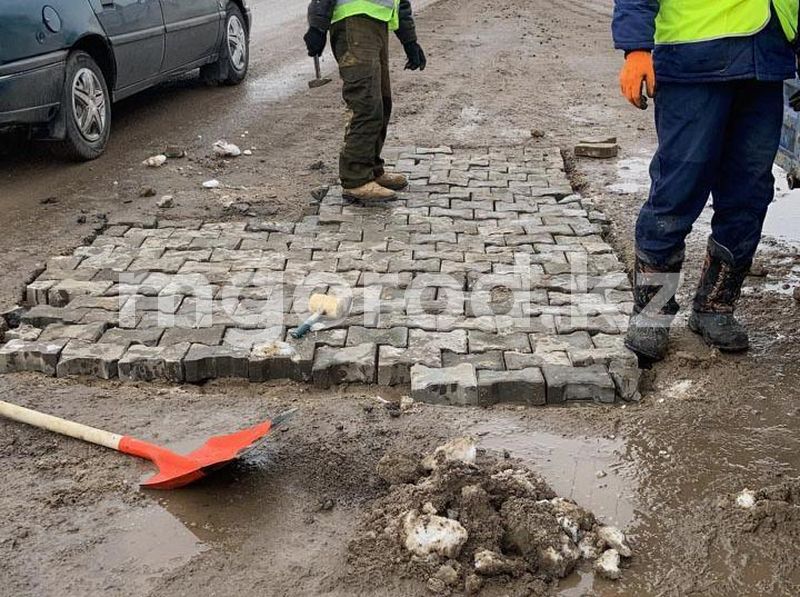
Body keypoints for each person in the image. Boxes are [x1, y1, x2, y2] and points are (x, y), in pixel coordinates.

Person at [612, 0, 798, 362]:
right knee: (676, 189)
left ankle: (715, 306)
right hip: (693, 60)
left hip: (766, 62)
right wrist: (636, 48)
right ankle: (652, 313)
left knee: (750, 192)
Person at [304, 0, 426, 201]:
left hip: (377, 24)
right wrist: (318, 26)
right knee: (366, 103)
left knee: (382, 102)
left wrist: (409, 41)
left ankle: (372, 170)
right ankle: (356, 179)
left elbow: (400, 2)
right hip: (353, 24)